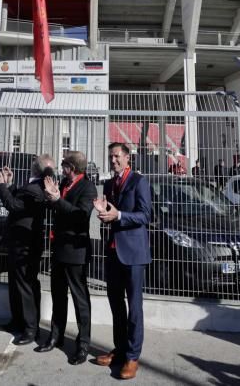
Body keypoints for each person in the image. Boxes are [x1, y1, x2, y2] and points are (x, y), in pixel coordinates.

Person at [93, 142, 152, 380]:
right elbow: (110, 216)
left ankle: (132, 357)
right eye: (110, 157)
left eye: (117, 156)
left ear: (128, 158)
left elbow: (146, 215)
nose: (113, 160)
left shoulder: (139, 181)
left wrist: (119, 215)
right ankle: (119, 350)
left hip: (134, 254)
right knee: (116, 305)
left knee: (134, 309)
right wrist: (103, 212)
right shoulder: (109, 183)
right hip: (113, 252)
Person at [38, 151, 96, 365]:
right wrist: (50, 198)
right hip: (59, 249)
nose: (61, 169)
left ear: (72, 167)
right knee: (58, 295)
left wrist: (58, 200)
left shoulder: (88, 188)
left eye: (64, 165)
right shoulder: (63, 183)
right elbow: (57, 207)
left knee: (80, 300)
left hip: (76, 252)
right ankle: (55, 336)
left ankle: (83, 344)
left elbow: (80, 217)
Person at [0, 154, 49, 344]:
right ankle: (17, 321)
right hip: (20, 242)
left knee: (25, 285)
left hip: (25, 244)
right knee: (16, 283)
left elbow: (14, 205)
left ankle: (30, 328)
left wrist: (1, 185)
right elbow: (20, 199)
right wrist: (10, 184)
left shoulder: (36, 187)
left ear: (34, 167)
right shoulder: (34, 184)